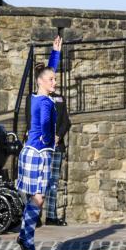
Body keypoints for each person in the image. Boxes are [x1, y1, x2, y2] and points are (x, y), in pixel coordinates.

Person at [17, 36, 63, 250]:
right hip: (37, 153)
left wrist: (55, 53)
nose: (55, 82)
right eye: (52, 80)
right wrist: (50, 139)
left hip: (37, 152)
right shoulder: (44, 102)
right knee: (38, 199)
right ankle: (26, 237)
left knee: (38, 198)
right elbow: (45, 124)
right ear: (43, 82)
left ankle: (26, 236)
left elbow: (47, 71)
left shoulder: (38, 95)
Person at [45, 81, 71, 225]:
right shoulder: (34, 99)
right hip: (40, 147)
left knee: (53, 183)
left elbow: (66, 122)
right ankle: (34, 217)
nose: (53, 82)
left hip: (56, 146)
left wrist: (58, 136)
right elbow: (32, 122)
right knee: (37, 183)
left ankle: (51, 216)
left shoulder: (60, 99)